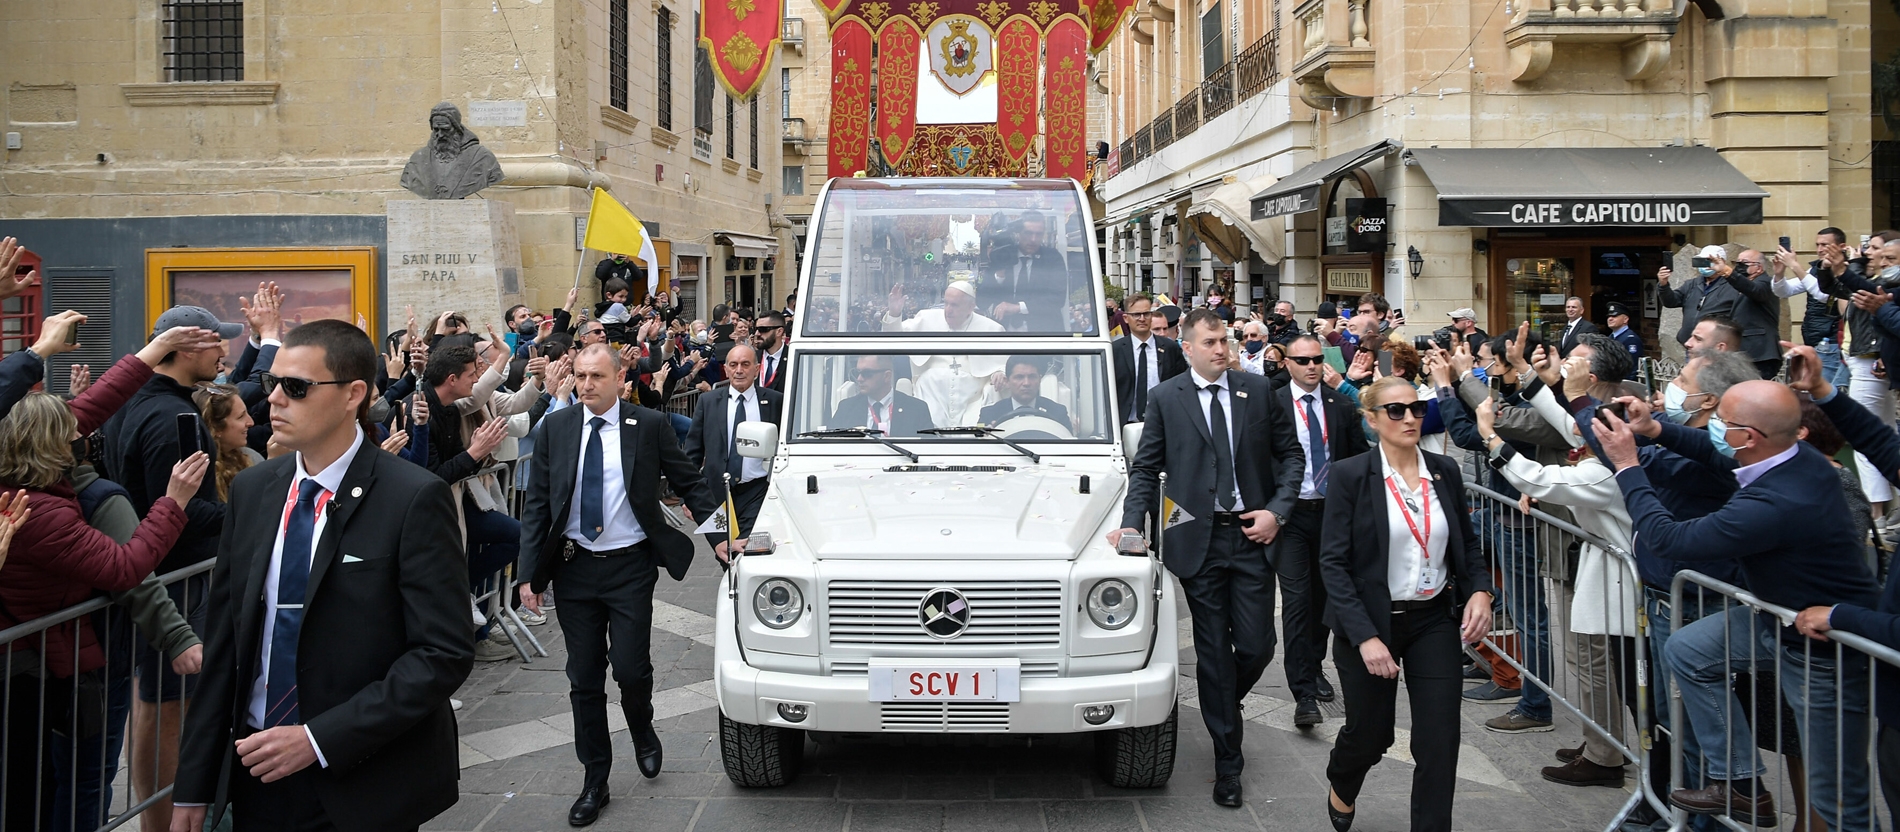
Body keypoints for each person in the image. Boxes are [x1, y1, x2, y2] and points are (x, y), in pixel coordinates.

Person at [171, 320, 474, 832]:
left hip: (364, 778)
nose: (274, 401)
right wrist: (193, 785)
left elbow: (441, 653)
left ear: (354, 394)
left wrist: (318, 739)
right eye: (271, 384)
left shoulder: (412, 498)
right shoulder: (254, 491)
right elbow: (225, 642)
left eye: (296, 388)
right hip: (258, 770)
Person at [1597, 379, 1879, 830]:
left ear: (1749, 438)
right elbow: (1714, 454)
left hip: (1824, 650)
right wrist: (1656, 430)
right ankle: (1741, 783)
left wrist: (1628, 465)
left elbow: (1670, 539)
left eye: (1723, 423)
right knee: (1688, 649)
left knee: (1839, 798)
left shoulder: (1775, 502)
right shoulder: (1793, 457)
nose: (1714, 430)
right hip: (1779, 619)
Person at [0, 323, 217, 832]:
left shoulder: (23, 475)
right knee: (62, 784)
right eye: (72, 432)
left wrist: (154, 350)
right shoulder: (39, 512)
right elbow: (124, 567)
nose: (85, 432)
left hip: (51, 657)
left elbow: (93, 404)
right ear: (53, 445)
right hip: (52, 664)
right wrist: (175, 502)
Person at [1105, 308, 1305, 808]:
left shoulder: (1257, 392)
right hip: (1196, 539)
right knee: (1213, 650)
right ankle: (1227, 763)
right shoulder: (1165, 398)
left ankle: (1221, 703)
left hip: (1251, 535)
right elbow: (1147, 468)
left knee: (1258, 645)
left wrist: (1276, 513)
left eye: (1225, 340)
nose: (1221, 348)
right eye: (1211, 341)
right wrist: (1133, 524)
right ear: (1187, 348)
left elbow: (1291, 458)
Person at [516, 344, 720, 827]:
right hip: (573, 569)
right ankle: (595, 779)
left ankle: (642, 727)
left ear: (619, 378)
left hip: (629, 567)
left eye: (596, 376)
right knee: (583, 679)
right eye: (580, 376)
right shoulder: (558, 429)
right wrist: (528, 574)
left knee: (630, 670)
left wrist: (723, 539)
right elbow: (538, 504)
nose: (586, 385)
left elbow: (691, 484)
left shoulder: (647, 426)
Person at [1316, 376, 1493, 832]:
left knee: (1439, 741)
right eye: (1396, 411)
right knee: (1371, 735)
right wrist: (1366, 637)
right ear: (1372, 420)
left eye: (1415, 409)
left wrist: (1480, 591)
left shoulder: (1444, 471)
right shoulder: (1351, 475)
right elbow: (1333, 564)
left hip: (1433, 619)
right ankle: (1342, 777)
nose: (1410, 418)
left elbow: (1467, 547)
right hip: (1370, 622)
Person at [100, 305, 243, 832]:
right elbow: (178, 509)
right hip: (172, 579)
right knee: (163, 708)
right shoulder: (170, 416)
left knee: (156, 703)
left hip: (160, 575)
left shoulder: (145, 402)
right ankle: (161, 823)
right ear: (184, 349)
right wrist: (251, 511)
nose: (222, 353)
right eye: (214, 344)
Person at [1272, 335, 1368, 728]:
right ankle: (1303, 693)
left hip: (1331, 515)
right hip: (1291, 515)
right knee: (1296, 602)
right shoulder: (1272, 404)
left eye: (1317, 360)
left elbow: (1360, 458)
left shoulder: (1341, 405)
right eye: (1303, 360)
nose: (1312, 366)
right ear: (1288, 364)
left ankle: (1314, 666)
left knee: (1323, 601)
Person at [683, 344, 780, 537]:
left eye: (745, 364)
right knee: (725, 552)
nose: (739, 370)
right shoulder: (708, 402)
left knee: (746, 546)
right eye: (733, 365)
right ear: (726, 369)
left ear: (756, 367)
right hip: (718, 493)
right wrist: (687, 496)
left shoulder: (775, 401)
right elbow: (693, 451)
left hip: (757, 490)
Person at [1658, 246, 1783, 378]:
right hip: (1726, 350)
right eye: (1737, 263)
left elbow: (1752, 290)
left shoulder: (1764, 282)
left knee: (1755, 392)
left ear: (1759, 267)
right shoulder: (1694, 284)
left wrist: (1725, 271)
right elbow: (1671, 301)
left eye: (1743, 263)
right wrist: (1663, 284)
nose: (1738, 267)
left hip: (1759, 352)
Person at [979, 212, 1074, 332]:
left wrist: (1018, 308)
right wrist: (999, 275)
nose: (1033, 239)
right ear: (1018, 233)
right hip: (1003, 333)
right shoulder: (1002, 256)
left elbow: (1057, 299)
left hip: (1042, 334)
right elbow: (982, 301)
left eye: (1038, 234)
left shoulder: (1052, 258)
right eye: (1028, 233)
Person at [1111, 293, 1186, 423]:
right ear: (1126, 318)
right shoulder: (1115, 350)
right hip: (1125, 424)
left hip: (1164, 423)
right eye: (1136, 315)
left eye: (1146, 314)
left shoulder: (1170, 348)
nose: (1142, 318)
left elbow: (1183, 383)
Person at [828, 354, 935, 436]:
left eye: (867, 373)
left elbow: (928, 449)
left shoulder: (916, 409)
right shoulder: (846, 408)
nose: (859, 379)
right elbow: (830, 445)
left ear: (887, 376)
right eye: (857, 373)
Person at [977, 355, 1071, 429]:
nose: (1026, 383)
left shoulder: (1057, 413)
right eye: (1019, 377)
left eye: (1032, 377)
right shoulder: (990, 415)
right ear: (1008, 381)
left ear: (1039, 380)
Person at [1603, 303, 1643, 378]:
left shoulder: (1631, 339)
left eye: (1614, 316)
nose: (1610, 319)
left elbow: (1633, 367)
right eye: (1609, 316)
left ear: (1625, 319)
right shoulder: (1611, 336)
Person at [754, 310, 789, 393]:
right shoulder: (753, 357)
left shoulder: (793, 358)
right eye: (756, 329)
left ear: (779, 332)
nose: (757, 333)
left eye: (763, 329)